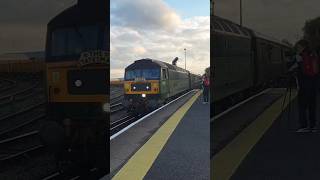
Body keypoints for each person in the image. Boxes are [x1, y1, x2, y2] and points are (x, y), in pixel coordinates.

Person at [292, 39, 319, 132]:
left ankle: (304, 126)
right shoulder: (314, 54)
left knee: (302, 106)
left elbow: (301, 70)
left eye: (298, 47)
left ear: (302, 47)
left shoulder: (300, 56)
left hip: (304, 84)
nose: (297, 48)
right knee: (312, 105)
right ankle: (313, 125)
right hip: (314, 84)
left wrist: (298, 63)